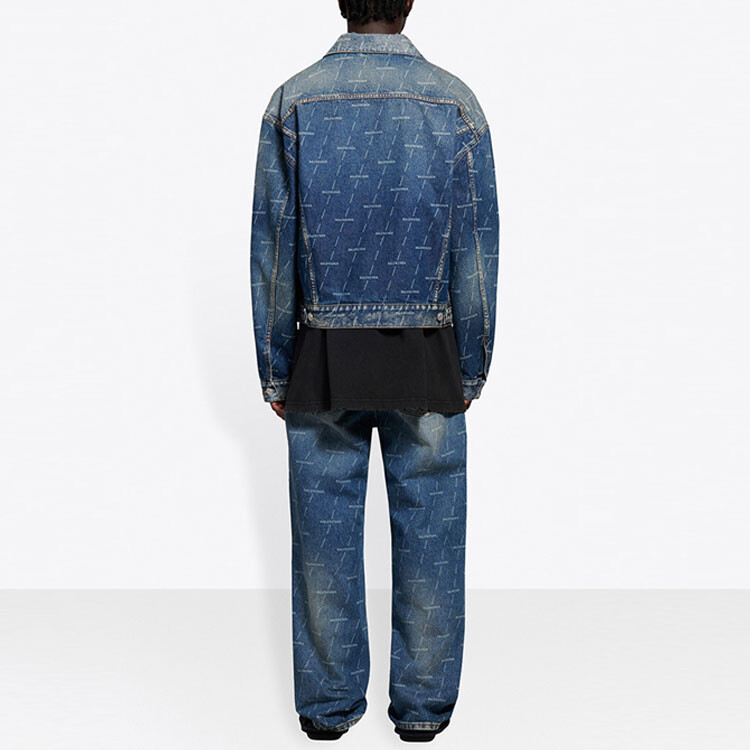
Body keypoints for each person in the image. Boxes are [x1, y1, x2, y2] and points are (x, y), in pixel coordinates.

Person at [249, 0, 499, 742]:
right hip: (429, 356)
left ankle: (327, 709)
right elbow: (475, 249)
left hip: (322, 360)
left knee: (322, 539)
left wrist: (277, 367)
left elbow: (274, 247)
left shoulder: (294, 101)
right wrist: (472, 366)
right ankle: (423, 711)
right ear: (409, 2)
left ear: (341, 1)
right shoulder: (455, 104)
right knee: (432, 534)